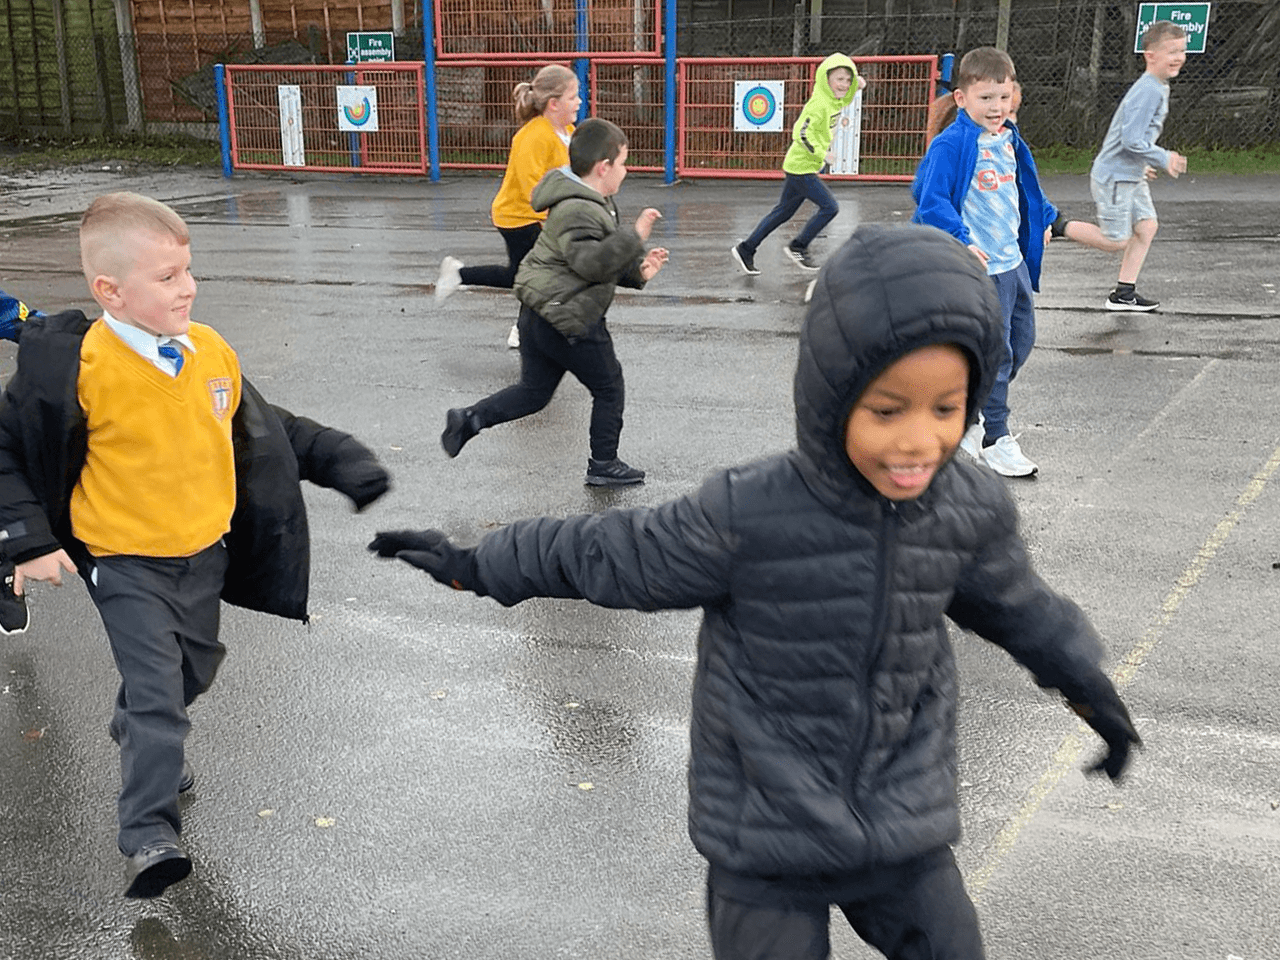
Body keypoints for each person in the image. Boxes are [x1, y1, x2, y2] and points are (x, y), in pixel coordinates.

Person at [370, 223, 1140, 960]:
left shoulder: (964, 509)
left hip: (900, 827)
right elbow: (606, 553)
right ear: (833, 396)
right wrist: (478, 562)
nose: (917, 440)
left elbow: (1023, 609)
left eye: (945, 409)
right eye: (886, 410)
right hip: (764, 837)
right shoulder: (748, 513)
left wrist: (1090, 691)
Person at [0, 192, 391, 899]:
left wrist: (342, 460)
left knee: (192, 674)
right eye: (168, 276)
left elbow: (271, 428)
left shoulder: (209, 351)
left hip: (203, 554)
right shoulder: (72, 369)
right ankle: (149, 835)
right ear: (109, 291)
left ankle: (140, 732)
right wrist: (26, 542)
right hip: (123, 560)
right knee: (158, 696)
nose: (188, 287)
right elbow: (7, 451)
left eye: (188, 271)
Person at [439, 118, 668, 488]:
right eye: (624, 163)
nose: (627, 171)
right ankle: (604, 464)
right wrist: (635, 235)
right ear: (603, 167)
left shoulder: (592, 201)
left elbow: (597, 258)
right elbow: (591, 264)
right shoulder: (578, 208)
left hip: (540, 313)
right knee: (609, 387)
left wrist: (639, 271)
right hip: (567, 316)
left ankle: (468, 420)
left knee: (534, 392)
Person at [912, 46, 1054, 478]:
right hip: (980, 269)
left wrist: (1045, 220)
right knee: (998, 353)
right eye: (986, 98)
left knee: (1021, 343)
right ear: (962, 99)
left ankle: (968, 413)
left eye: (1003, 96)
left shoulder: (1009, 137)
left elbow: (1024, 190)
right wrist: (960, 240)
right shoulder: (951, 145)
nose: (996, 107)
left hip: (1013, 265)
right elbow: (930, 199)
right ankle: (995, 436)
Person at [435, 64, 581, 349]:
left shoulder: (568, 132)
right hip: (518, 216)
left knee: (523, 274)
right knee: (536, 274)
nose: (579, 101)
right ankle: (524, 329)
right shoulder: (532, 137)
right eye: (573, 96)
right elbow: (533, 190)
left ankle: (460, 275)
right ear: (553, 104)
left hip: (538, 218)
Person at [731, 53, 863, 276]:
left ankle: (746, 248)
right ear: (825, 79)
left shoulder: (835, 100)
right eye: (839, 79)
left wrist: (857, 84)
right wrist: (823, 153)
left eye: (847, 80)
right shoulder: (818, 104)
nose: (844, 84)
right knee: (830, 207)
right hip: (801, 166)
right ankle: (799, 246)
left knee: (782, 212)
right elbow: (800, 132)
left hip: (806, 166)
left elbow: (848, 93)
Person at [1089, 20, 1188, 312]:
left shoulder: (1157, 86)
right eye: (1171, 51)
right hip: (1116, 177)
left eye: (1182, 51)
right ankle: (1058, 225)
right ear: (1150, 55)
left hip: (1129, 173)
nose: (1179, 57)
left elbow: (1128, 136)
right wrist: (1163, 157)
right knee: (1115, 240)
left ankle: (1123, 293)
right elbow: (1132, 139)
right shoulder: (1149, 90)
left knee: (1146, 226)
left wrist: (1141, 163)